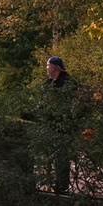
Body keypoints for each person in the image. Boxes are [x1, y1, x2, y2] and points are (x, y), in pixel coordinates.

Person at [41, 54, 76, 192]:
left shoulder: (67, 83)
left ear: (54, 67)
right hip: (51, 124)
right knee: (55, 155)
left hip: (64, 125)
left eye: (48, 65)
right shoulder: (49, 83)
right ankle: (56, 182)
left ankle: (63, 185)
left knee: (62, 154)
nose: (46, 68)